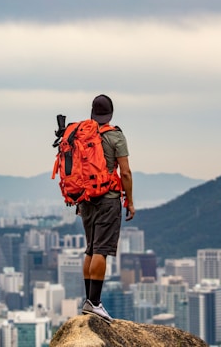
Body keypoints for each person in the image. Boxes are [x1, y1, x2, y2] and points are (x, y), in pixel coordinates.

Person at [80, 94, 135, 323]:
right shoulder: (115, 136)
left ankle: (88, 300)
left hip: (85, 200)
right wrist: (129, 201)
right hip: (108, 198)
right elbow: (126, 172)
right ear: (110, 114)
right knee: (101, 250)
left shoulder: (81, 135)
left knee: (91, 249)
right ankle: (94, 303)